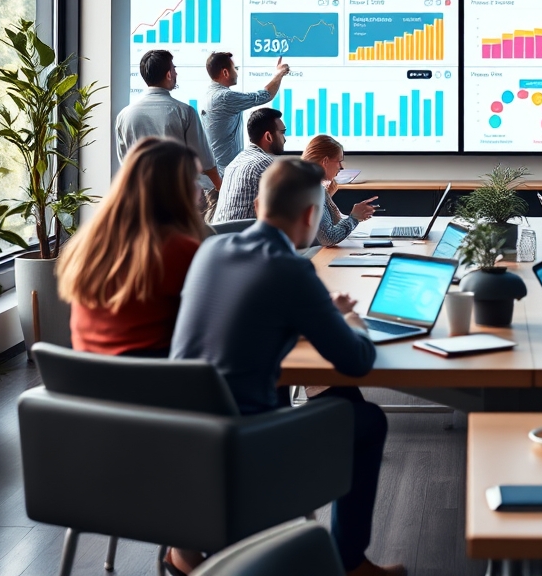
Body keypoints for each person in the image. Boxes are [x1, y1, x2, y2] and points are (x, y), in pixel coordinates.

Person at [170, 158, 404, 576]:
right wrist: (350, 322)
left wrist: (314, 315)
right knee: (367, 420)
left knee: (313, 395)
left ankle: (193, 547)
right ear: (312, 216)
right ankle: (350, 564)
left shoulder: (212, 249)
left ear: (259, 203)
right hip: (244, 440)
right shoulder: (292, 269)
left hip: (180, 430)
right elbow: (356, 362)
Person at [58, 138, 205, 356]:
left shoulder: (88, 243)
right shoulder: (178, 249)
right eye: (194, 179)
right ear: (176, 188)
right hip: (152, 382)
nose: (199, 188)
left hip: (86, 381)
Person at [115, 50, 220, 196]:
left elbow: (126, 165)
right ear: (168, 74)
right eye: (174, 69)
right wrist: (221, 189)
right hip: (178, 198)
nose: (176, 73)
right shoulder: (185, 112)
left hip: (141, 198)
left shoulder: (124, 116)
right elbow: (204, 163)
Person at [200, 51, 290, 214]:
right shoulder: (224, 97)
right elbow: (265, 96)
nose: (237, 72)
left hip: (214, 179)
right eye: (235, 68)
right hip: (220, 182)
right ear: (225, 72)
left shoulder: (209, 94)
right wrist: (279, 74)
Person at [211, 108, 287, 224]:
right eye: (282, 132)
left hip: (223, 238)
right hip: (247, 239)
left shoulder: (234, 162)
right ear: (268, 137)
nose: (285, 139)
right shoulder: (267, 165)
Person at [301, 135, 378, 246]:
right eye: (339, 161)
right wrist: (354, 218)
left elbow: (329, 226)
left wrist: (327, 196)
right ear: (325, 161)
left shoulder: (303, 182)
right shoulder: (312, 189)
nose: (341, 167)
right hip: (306, 256)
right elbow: (329, 238)